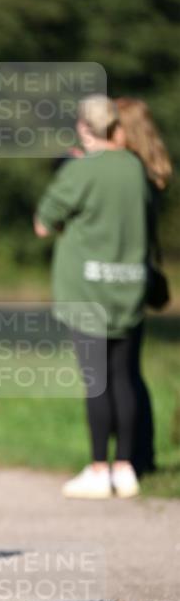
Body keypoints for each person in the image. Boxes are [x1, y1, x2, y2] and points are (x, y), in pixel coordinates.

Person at [34, 95, 150, 499]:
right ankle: (127, 467)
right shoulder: (137, 168)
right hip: (130, 287)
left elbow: (44, 225)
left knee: (96, 381)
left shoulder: (81, 171)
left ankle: (99, 468)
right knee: (124, 378)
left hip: (86, 291)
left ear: (84, 128)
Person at [114, 98, 173, 476]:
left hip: (118, 280)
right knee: (130, 371)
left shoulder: (127, 172)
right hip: (136, 275)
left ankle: (130, 459)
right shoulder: (149, 172)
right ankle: (141, 456)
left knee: (118, 373)